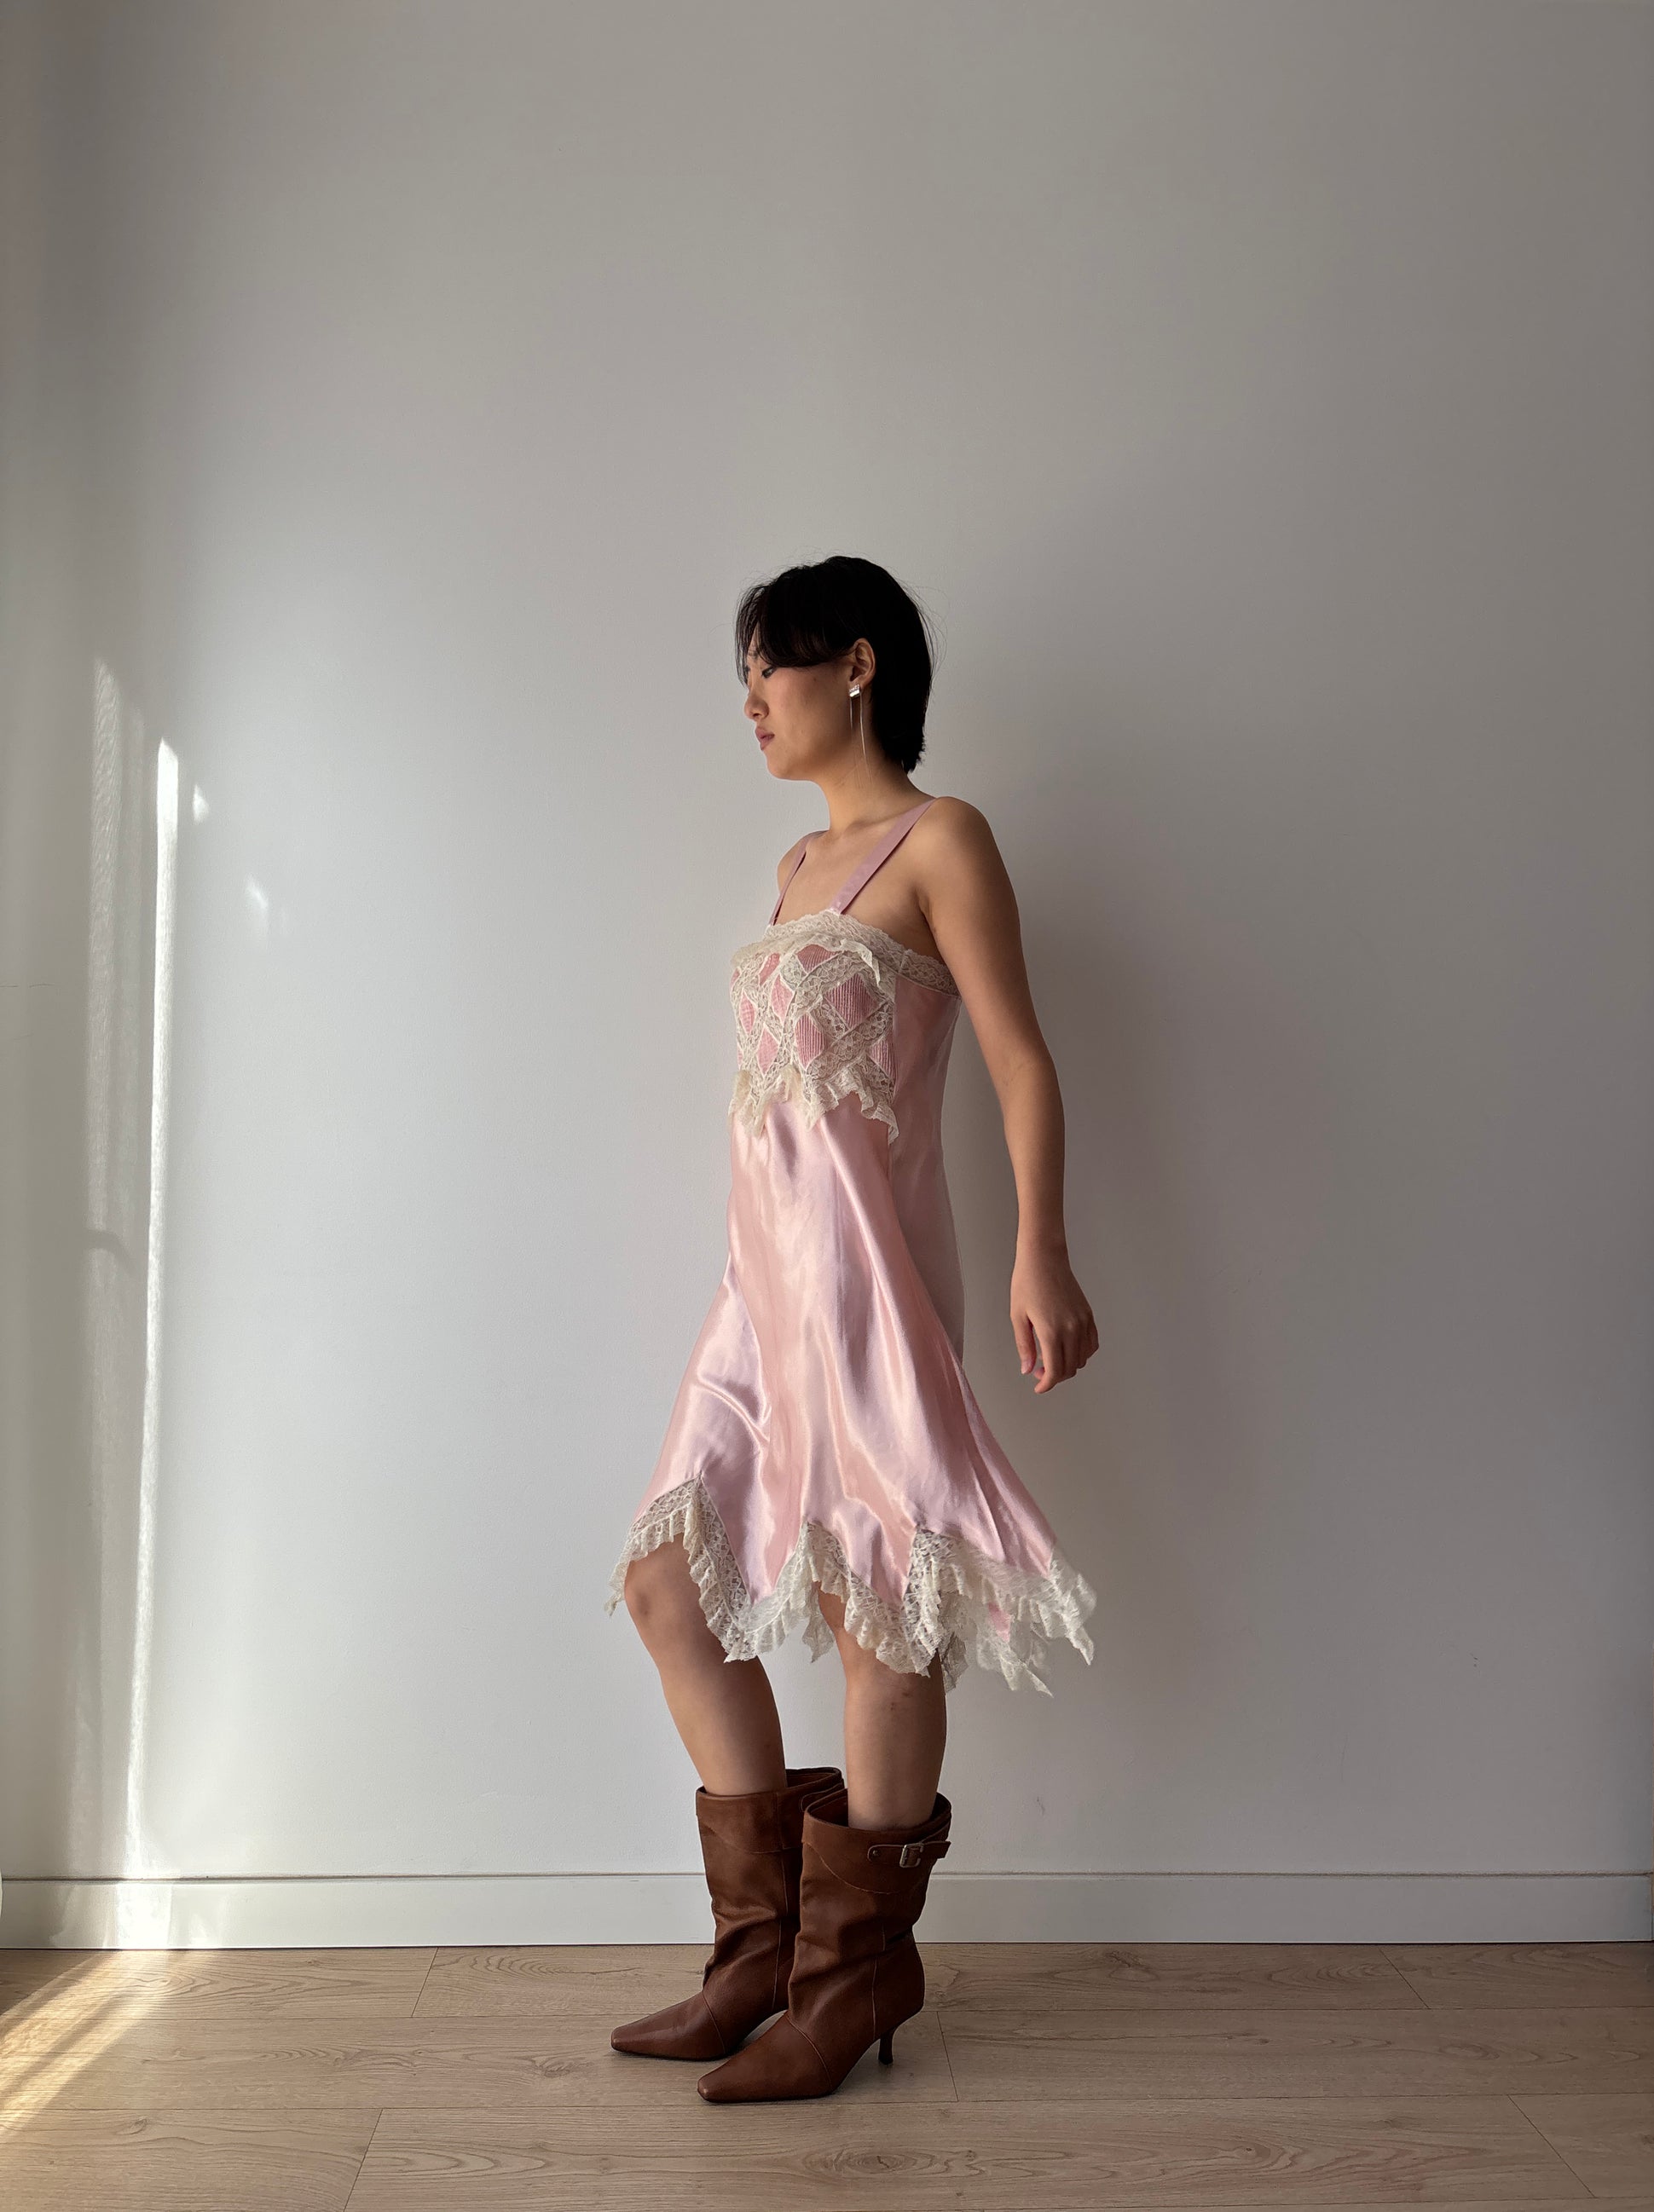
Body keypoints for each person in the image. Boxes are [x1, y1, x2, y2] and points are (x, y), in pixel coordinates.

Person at [602, 554, 1099, 2102]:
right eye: (745, 676)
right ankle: (761, 1952)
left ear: (858, 665)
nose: (751, 699)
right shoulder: (793, 868)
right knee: (667, 1585)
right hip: (756, 1295)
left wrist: (1040, 1249)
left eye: (773, 666)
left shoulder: (940, 840)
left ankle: (853, 1969)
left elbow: (1018, 1059)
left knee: (881, 1603)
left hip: (866, 1291)